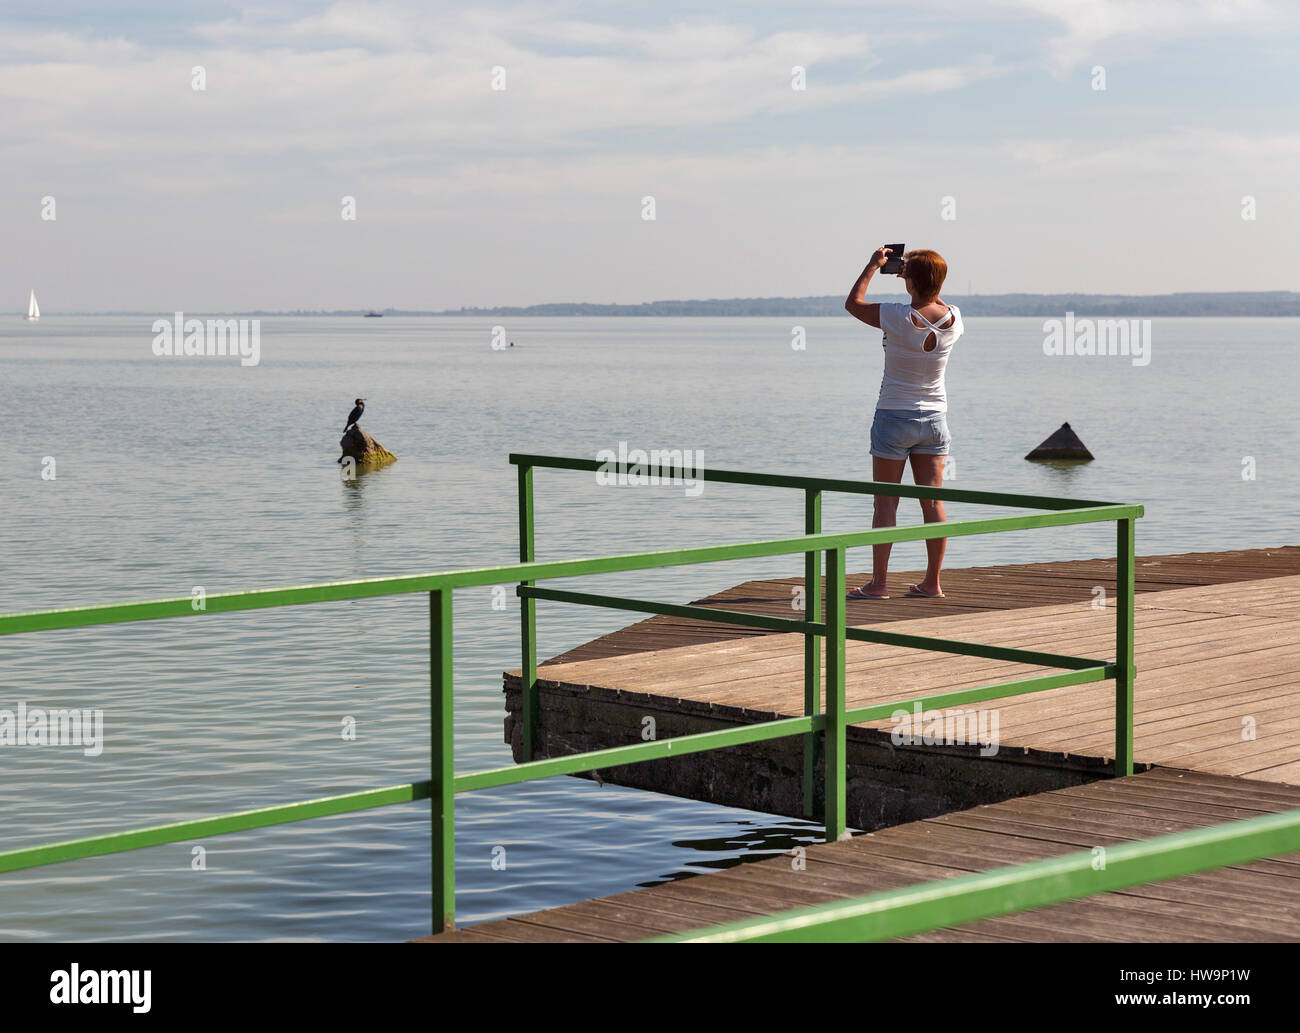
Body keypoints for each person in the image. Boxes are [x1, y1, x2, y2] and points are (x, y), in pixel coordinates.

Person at [843, 246, 963, 599]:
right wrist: (920, 278)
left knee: (886, 503)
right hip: (935, 420)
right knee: (932, 502)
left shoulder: (896, 315)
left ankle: (879, 584)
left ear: (908, 279)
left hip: (894, 417)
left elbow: (853, 304)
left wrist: (872, 266)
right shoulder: (955, 317)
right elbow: (934, 301)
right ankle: (932, 583)